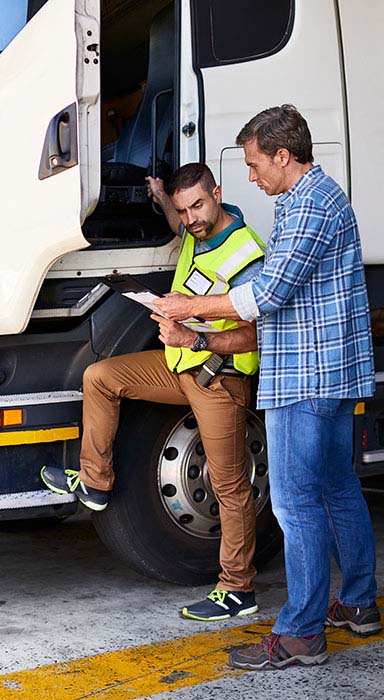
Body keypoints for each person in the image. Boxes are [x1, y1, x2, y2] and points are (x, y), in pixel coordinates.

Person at [155, 105, 382, 669]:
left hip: (305, 377)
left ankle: (301, 634)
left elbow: (266, 296)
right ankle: (358, 604)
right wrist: (199, 331)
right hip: (324, 373)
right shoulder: (313, 201)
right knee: (335, 487)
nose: (251, 178)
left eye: (256, 164)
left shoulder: (309, 205)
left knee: (295, 502)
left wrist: (189, 307)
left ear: (284, 155)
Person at [41, 163, 266, 622]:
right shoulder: (194, 232)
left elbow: (256, 336)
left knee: (229, 487)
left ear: (218, 194)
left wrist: (196, 338)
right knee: (100, 377)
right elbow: (176, 222)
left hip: (219, 380)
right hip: (181, 367)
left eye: (198, 206)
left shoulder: (246, 255)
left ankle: (238, 588)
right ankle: (95, 483)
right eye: (184, 211)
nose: (191, 219)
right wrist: (162, 197)